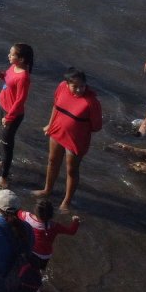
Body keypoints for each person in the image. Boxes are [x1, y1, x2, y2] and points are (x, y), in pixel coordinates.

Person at [39, 67, 103, 210]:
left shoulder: (91, 102)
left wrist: (76, 126)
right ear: (67, 84)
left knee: (71, 170)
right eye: (75, 86)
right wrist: (50, 124)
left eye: (82, 86)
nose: (79, 90)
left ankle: (66, 202)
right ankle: (47, 190)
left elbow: (97, 126)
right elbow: (56, 106)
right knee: (52, 161)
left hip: (76, 140)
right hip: (57, 131)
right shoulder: (61, 87)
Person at [0, 43, 34, 188]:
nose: (8, 56)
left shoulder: (24, 77)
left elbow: (20, 100)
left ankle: (4, 177)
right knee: (3, 139)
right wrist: (1, 75)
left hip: (12, 114)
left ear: (21, 59)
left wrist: (9, 117)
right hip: (3, 108)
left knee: (7, 145)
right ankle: (3, 162)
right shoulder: (13, 67)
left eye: (12, 54)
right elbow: (8, 77)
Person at [18, 197, 79, 284]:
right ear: (51, 214)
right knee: (39, 270)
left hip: (31, 251)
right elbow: (71, 231)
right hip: (45, 255)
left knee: (26, 266)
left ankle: (23, 279)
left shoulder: (25, 216)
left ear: (35, 210)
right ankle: (38, 282)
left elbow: (16, 212)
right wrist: (76, 221)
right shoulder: (54, 226)